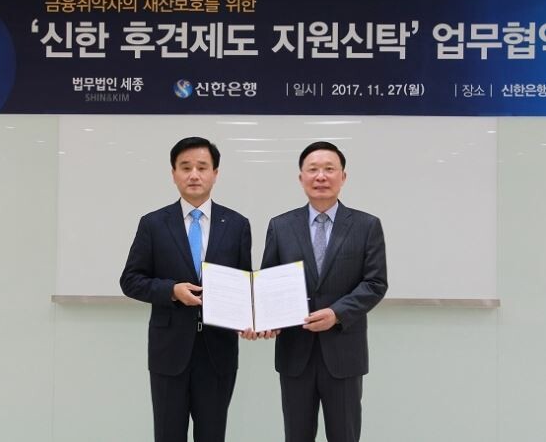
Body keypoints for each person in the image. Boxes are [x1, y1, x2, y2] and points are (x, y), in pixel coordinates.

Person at [120, 137, 251, 442]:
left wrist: (250, 318)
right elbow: (131, 280)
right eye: (185, 167)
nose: (194, 175)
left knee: (213, 435)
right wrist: (171, 290)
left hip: (218, 351)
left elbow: (244, 285)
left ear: (215, 173)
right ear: (174, 173)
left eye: (202, 167)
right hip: (169, 351)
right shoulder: (153, 224)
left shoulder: (237, 224)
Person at [260, 141, 387, 442]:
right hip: (295, 353)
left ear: (343, 176)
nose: (321, 176)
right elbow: (268, 283)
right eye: (313, 169)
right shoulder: (280, 226)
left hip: (343, 353)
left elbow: (375, 283)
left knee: (344, 435)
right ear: (301, 177)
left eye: (329, 169)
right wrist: (266, 318)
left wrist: (336, 313)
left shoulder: (366, 225)